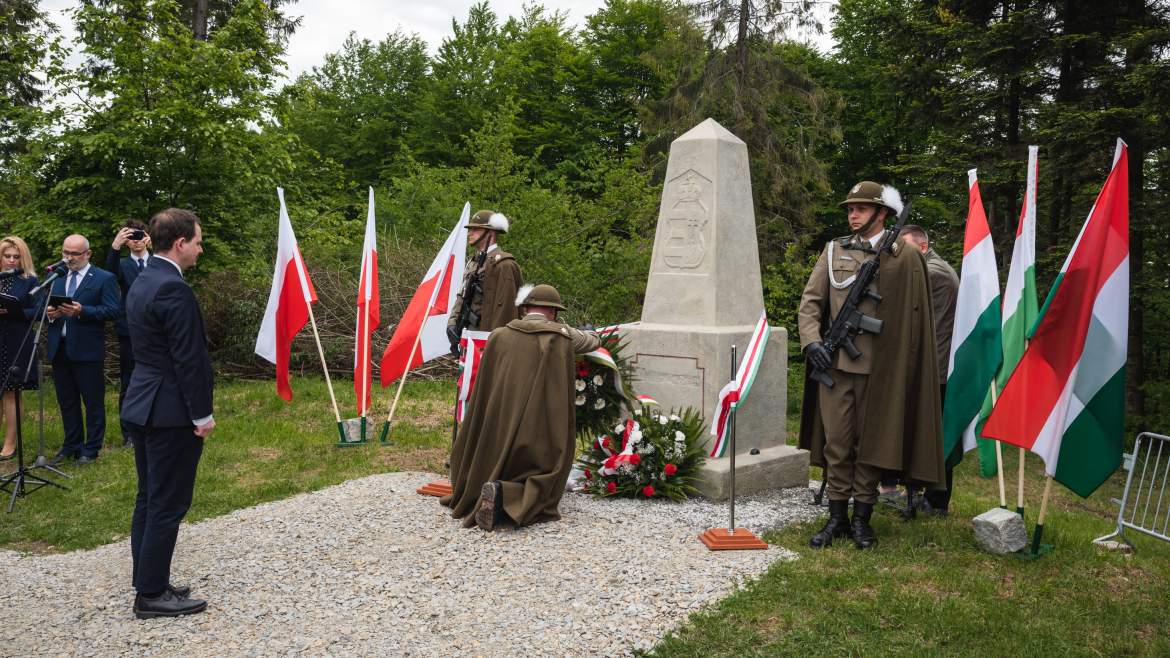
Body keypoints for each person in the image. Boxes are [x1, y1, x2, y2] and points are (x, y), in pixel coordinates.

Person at [797, 181, 945, 549]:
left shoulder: (905, 256)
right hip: (835, 368)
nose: (853, 214)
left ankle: (862, 519)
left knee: (871, 445)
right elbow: (811, 303)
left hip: (883, 371)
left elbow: (916, 317)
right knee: (838, 443)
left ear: (881, 213)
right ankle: (836, 518)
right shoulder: (833, 252)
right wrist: (812, 341)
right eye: (850, 209)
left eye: (861, 208)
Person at [441, 284, 599, 531]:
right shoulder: (560, 336)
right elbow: (590, 342)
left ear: (524, 309)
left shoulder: (499, 335)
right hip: (533, 431)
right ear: (554, 312)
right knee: (546, 468)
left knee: (495, 448)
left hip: (496, 427)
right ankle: (507, 494)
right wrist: (589, 333)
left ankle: (481, 483)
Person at [121, 208, 214, 619]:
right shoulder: (173, 289)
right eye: (197, 241)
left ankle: (149, 578)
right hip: (170, 410)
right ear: (180, 243)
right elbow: (189, 360)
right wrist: (202, 415)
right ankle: (152, 594)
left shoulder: (143, 280)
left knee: (148, 497)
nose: (200, 248)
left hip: (142, 402)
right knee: (167, 503)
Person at [46, 234, 120, 466]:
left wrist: (82, 311)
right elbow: (40, 304)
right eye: (65, 252)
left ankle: (91, 449)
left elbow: (112, 310)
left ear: (87, 254)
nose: (69, 258)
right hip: (60, 348)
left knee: (93, 402)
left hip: (87, 350)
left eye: (74, 254)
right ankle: (71, 445)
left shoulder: (103, 278)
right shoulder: (55, 275)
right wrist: (49, 312)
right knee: (67, 401)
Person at [902, 225, 959, 515]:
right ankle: (927, 495)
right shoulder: (931, 268)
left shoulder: (933, 273)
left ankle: (936, 501)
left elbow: (920, 325)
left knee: (935, 437)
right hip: (935, 365)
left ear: (922, 247)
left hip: (936, 369)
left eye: (905, 249)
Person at [446, 209, 523, 348]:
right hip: (469, 337)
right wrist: (453, 322)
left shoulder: (504, 265)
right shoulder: (474, 262)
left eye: (475, 229)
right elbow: (462, 295)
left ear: (490, 233)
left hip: (486, 341)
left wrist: (494, 346)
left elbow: (505, 310)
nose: (470, 233)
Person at [106, 220, 153, 447]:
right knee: (129, 380)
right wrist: (115, 247)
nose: (136, 241)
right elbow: (109, 277)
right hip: (129, 329)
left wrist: (154, 249)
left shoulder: (156, 261)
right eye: (131, 237)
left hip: (156, 328)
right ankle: (129, 433)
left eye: (139, 236)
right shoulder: (123, 265)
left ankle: (153, 425)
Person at [0, 236, 40, 460]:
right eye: (7, 256)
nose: (12, 260)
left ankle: (10, 443)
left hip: (18, 339)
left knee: (11, 392)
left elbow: (38, 311)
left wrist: (13, 312)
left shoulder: (30, 281)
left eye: (16, 256)